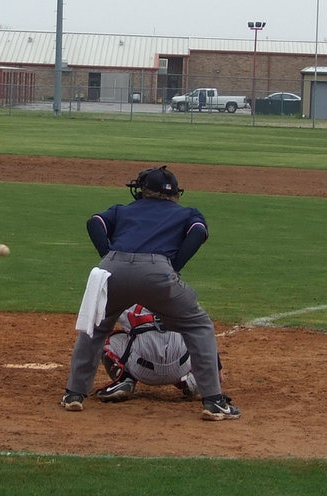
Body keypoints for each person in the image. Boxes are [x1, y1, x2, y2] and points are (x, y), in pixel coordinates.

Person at [61, 166, 241, 421]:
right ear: (175, 193)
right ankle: (214, 401)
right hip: (158, 270)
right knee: (198, 325)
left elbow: (95, 223)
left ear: (144, 191)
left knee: (96, 327)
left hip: (111, 269)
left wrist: (108, 256)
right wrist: (174, 266)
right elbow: (199, 232)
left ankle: (73, 394)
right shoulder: (187, 213)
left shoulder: (122, 210)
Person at [93, 304, 205, 404]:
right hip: (180, 369)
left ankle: (124, 379)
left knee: (108, 339)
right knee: (192, 336)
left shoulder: (126, 299)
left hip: (142, 371)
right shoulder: (180, 296)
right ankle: (193, 382)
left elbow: (100, 326)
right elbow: (203, 334)